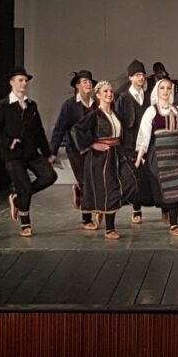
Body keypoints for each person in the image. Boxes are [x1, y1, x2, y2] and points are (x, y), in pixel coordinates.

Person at [0, 67, 58, 237]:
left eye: (26, 80)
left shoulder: (31, 105)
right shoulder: (2, 106)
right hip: (13, 155)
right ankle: (25, 222)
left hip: (31, 152)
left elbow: (39, 130)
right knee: (24, 186)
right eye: (20, 80)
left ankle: (18, 198)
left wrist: (48, 153)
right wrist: (8, 142)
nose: (24, 83)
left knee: (49, 176)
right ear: (11, 83)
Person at [134, 78, 178, 235]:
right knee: (161, 186)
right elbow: (144, 135)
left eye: (168, 88)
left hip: (176, 152)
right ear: (157, 91)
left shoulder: (177, 110)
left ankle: (174, 224)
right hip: (159, 153)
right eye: (162, 88)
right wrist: (139, 158)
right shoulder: (151, 111)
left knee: (176, 187)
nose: (165, 91)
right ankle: (164, 210)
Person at [70, 81, 137, 239]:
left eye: (111, 91)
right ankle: (109, 229)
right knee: (109, 189)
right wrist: (92, 144)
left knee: (131, 182)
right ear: (98, 95)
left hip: (117, 153)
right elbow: (76, 130)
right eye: (105, 91)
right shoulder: (95, 115)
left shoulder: (116, 115)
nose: (109, 94)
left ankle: (99, 205)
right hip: (101, 156)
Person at [50, 69, 98, 228]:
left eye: (89, 82)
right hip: (75, 148)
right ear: (77, 86)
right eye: (84, 82)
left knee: (93, 180)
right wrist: (52, 151)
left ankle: (79, 192)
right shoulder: (70, 105)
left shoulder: (96, 104)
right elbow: (59, 128)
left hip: (93, 148)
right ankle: (86, 218)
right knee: (86, 180)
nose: (88, 84)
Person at [115, 60, 150, 224]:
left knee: (147, 178)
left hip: (147, 144)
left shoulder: (148, 98)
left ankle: (162, 209)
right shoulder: (123, 99)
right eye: (137, 75)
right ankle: (135, 209)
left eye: (142, 75)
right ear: (130, 78)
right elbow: (119, 124)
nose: (141, 78)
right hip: (129, 145)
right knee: (132, 179)